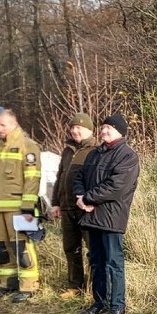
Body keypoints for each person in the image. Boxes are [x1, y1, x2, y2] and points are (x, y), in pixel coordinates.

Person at [73, 113, 140, 314]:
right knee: (96, 261)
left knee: (114, 262)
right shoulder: (95, 154)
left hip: (111, 217)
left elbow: (116, 187)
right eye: (102, 128)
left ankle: (117, 306)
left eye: (108, 128)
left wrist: (89, 198)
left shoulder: (127, 156)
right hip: (92, 216)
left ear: (120, 131)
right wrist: (81, 197)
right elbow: (78, 177)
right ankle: (99, 302)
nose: (103, 131)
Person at [0, 109, 42, 303]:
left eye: (3, 125)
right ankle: (7, 283)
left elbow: (32, 179)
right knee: (0, 248)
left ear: (14, 123)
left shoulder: (28, 146)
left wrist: (28, 206)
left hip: (18, 208)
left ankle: (29, 286)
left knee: (21, 248)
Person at [51, 113, 99, 298]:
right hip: (67, 207)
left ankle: (94, 287)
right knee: (71, 248)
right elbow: (60, 178)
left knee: (92, 249)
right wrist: (56, 203)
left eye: (79, 127)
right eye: (72, 127)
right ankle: (75, 286)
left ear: (89, 129)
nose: (75, 130)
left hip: (86, 209)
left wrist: (91, 201)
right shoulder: (67, 150)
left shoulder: (96, 149)